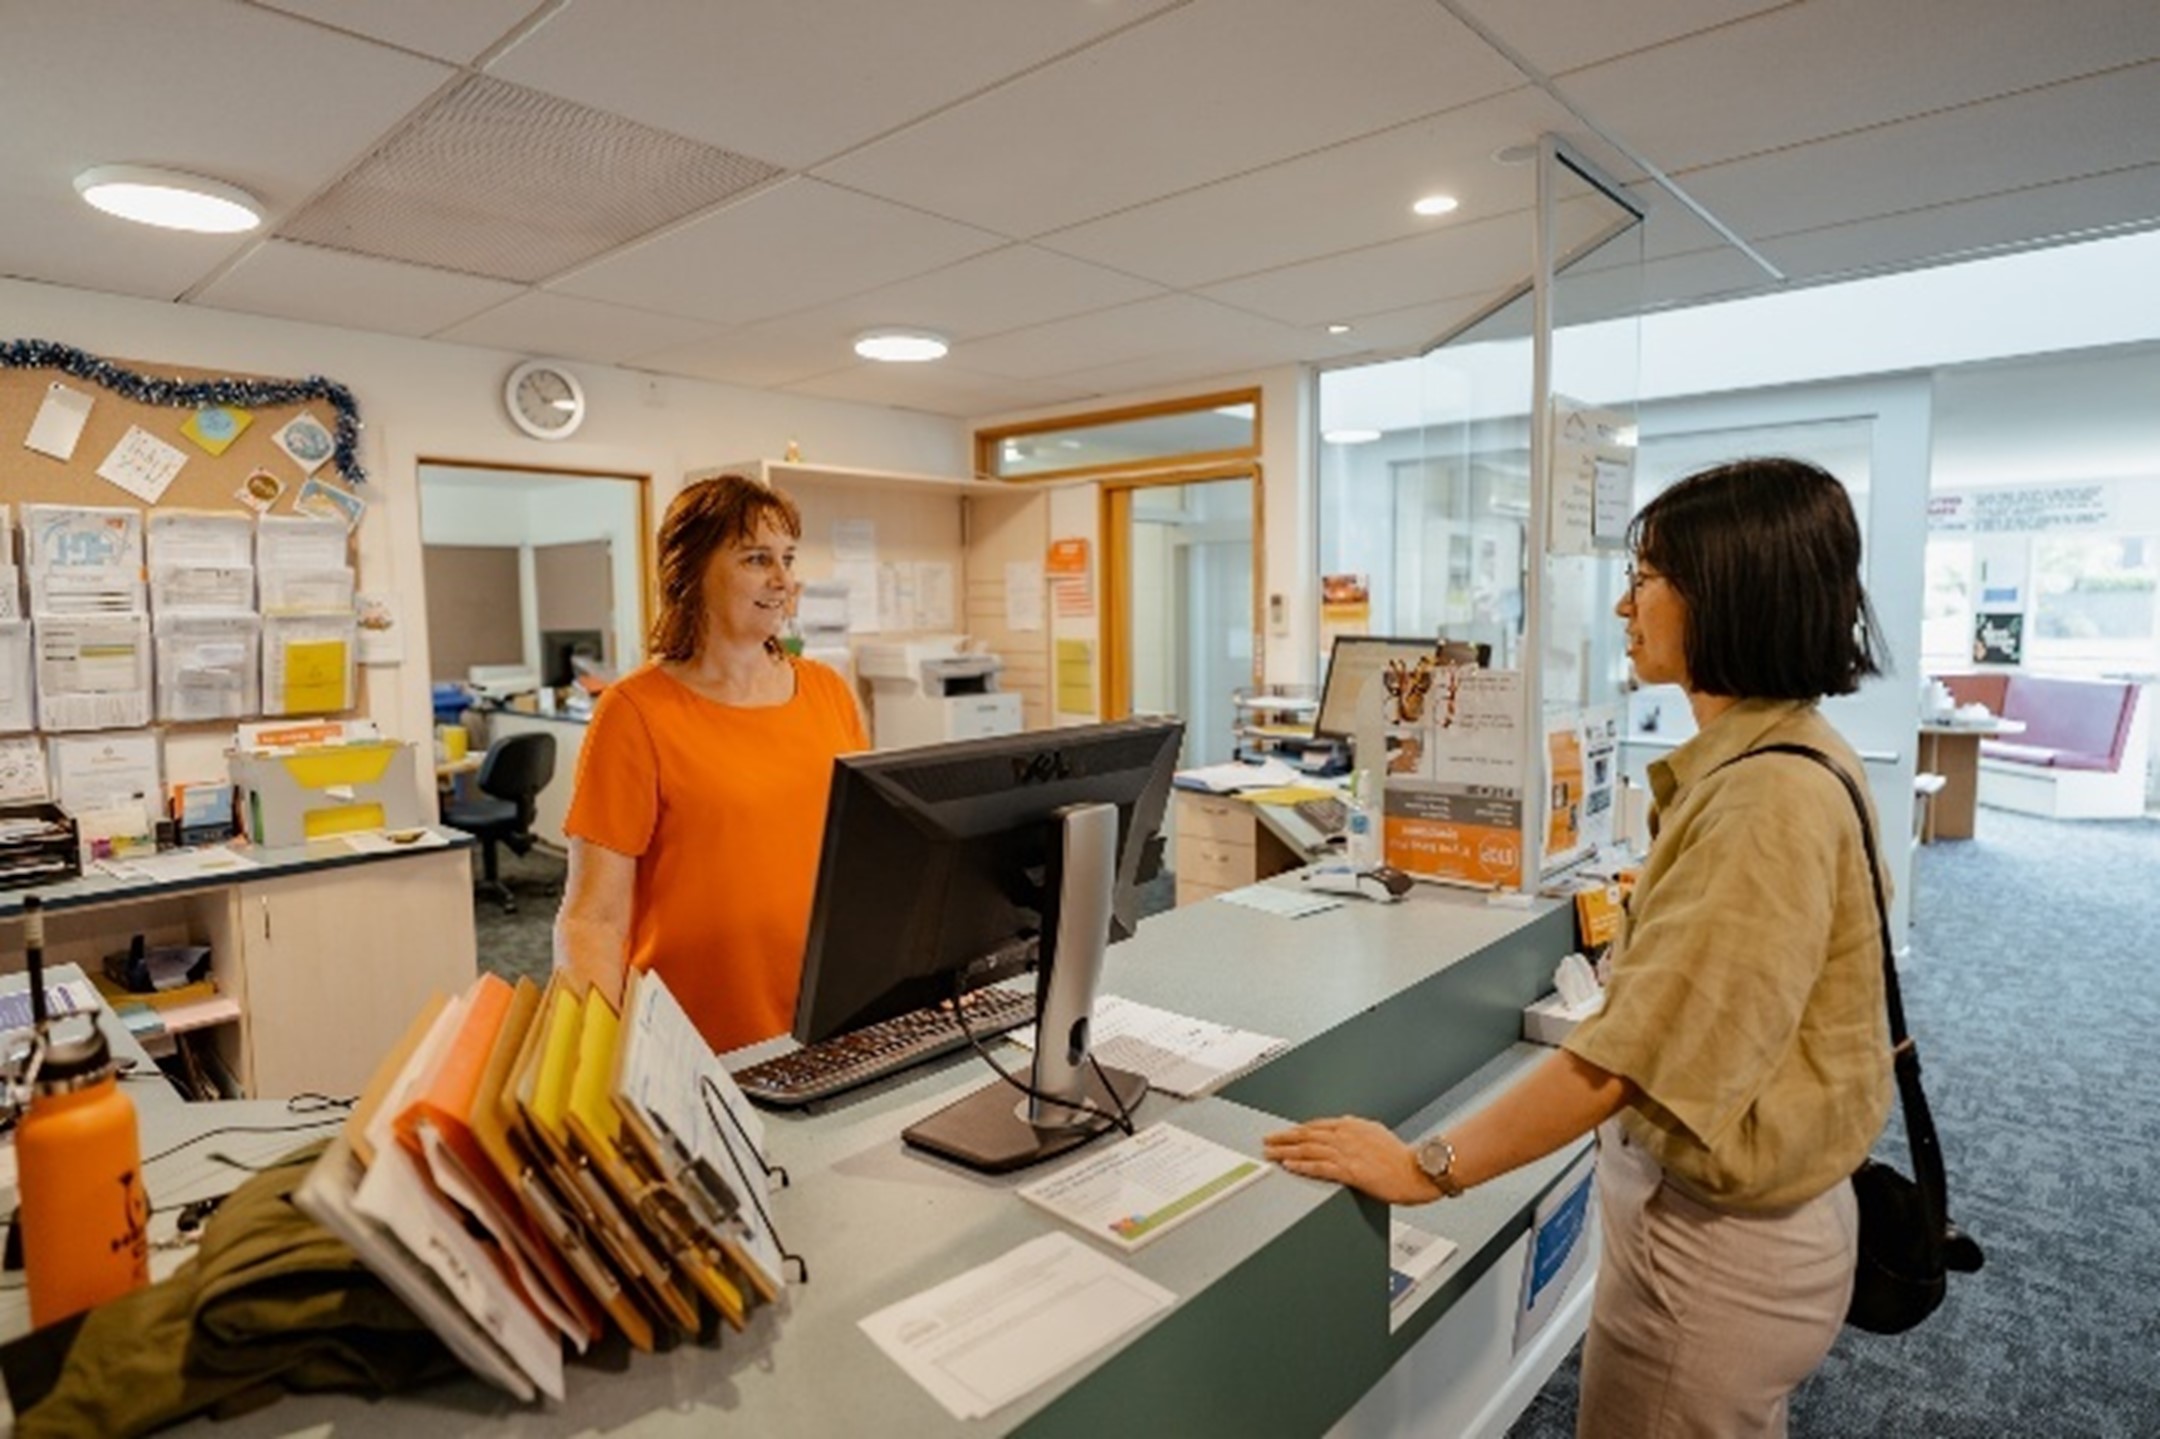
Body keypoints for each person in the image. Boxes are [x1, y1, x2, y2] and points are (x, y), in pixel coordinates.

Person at [1264, 457, 1894, 1439]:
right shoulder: (1794, 753)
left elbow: (1621, 1063)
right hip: (1761, 1231)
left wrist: (1426, 1167)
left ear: (1725, 589)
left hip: (1717, 1261)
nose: (1623, 605)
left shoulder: (1763, 800)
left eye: (1645, 578)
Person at [554, 474, 868, 1054]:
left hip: (829, 1021)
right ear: (691, 570)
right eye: (756, 559)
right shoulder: (634, 712)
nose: (784, 581)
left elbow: (866, 866)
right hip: (696, 1042)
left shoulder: (828, 692)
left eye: (787, 558)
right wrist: (598, 1059)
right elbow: (592, 920)